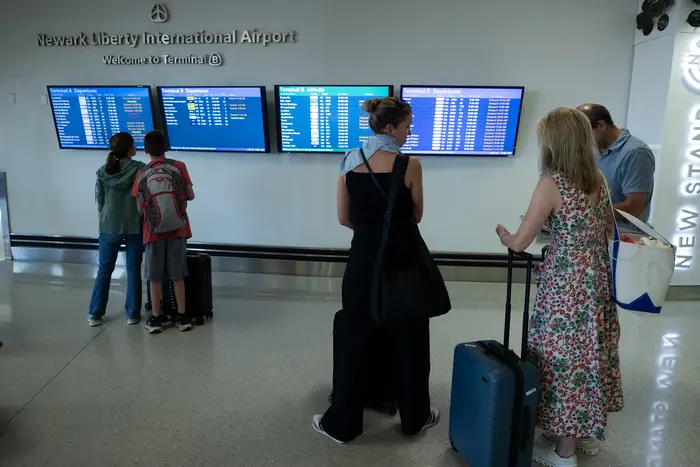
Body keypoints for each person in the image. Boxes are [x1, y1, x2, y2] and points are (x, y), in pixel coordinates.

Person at [495, 107, 624, 467]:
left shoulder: (551, 184)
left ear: (554, 144)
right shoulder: (598, 179)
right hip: (594, 281)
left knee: (563, 360)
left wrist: (504, 234)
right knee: (589, 355)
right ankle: (580, 434)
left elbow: (522, 241)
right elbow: (603, 230)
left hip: (565, 286)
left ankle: (564, 454)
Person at [312, 97, 440, 444]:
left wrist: (369, 232)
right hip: (404, 259)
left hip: (363, 259)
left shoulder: (350, 161)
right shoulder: (410, 164)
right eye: (406, 125)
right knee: (410, 334)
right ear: (389, 128)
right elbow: (416, 215)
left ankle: (343, 422)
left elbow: (343, 217)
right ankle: (414, 416)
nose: (410, 131)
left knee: (355, 332)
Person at [132, 130, 195, 334]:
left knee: (155, 276)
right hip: (179, 228)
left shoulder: (142, 172)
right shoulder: (179, 166)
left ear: (145, 150)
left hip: (153, 232)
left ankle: (156, 318)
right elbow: (190, 195)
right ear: (166, 147)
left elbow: (140, 209)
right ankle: (182, 317)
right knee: (178, 275)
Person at [88, 132, 147, 327]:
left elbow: (100, 201)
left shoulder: (103, 171)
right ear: (130, 149)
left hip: (109, 225)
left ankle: (95, 314)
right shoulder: (140, 169)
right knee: (133, 269)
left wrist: (104, 220)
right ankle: (132, 314)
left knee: (104, 269)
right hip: (134, 225)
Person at [577, 103, 655, 224]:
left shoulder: (636, 152)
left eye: (585, 134)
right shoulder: (596, 150)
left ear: (601, 126)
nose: (583, 140)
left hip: (625, 238)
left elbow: (633, 207)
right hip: (599, 234)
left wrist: (585, 215)